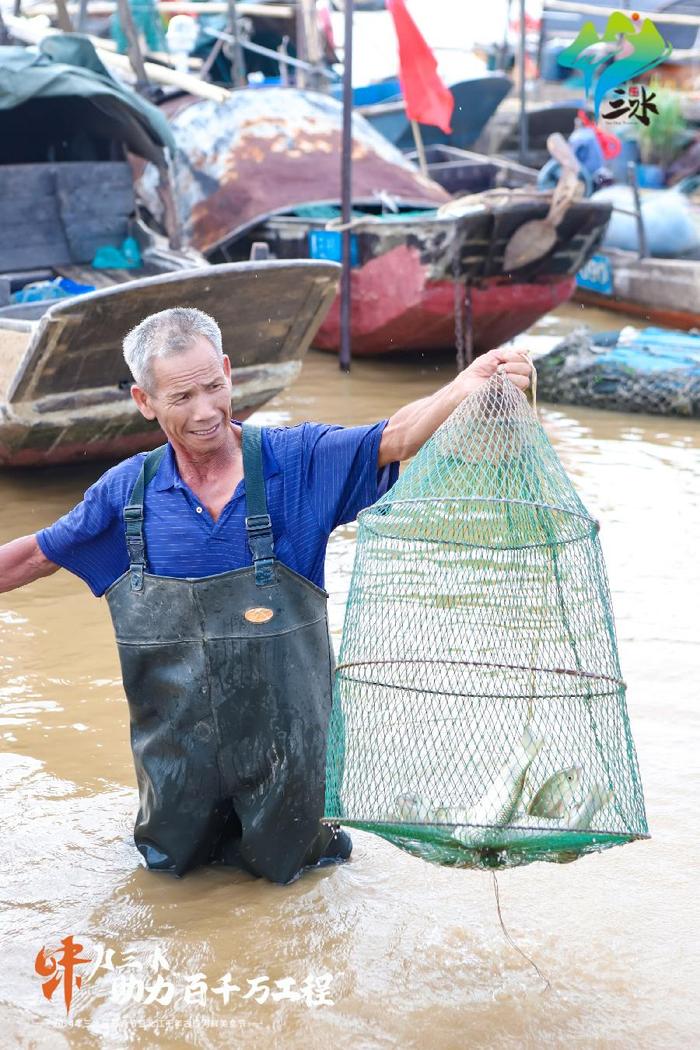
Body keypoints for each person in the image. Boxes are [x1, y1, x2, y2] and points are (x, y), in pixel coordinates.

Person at [0, 308, 532, 885]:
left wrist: (466, 384)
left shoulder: (299, 461)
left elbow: (397, 436)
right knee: (169, 889)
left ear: (229, 372)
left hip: (291, 766)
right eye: (181, 397)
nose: (205, 411)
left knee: (302, 891)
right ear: (144, 401)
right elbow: (34, 557)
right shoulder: (125, 494)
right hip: (176, 767)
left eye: (214, 387)